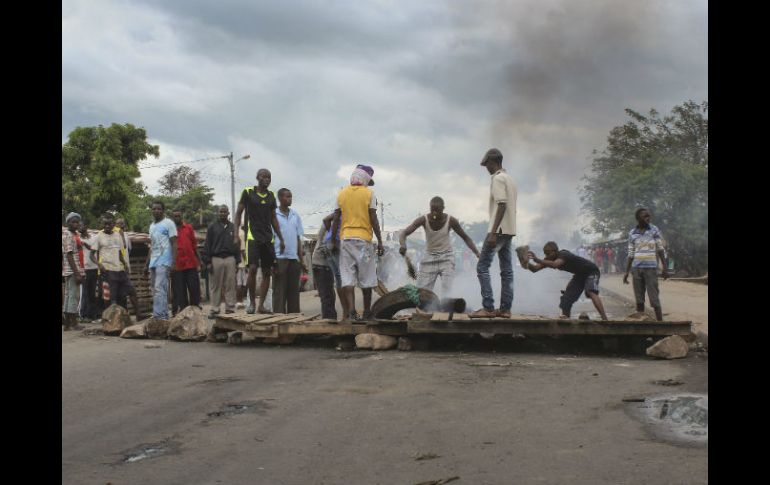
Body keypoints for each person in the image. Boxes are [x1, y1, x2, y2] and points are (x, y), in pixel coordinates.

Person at [331, 164, 384, 321]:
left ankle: (352, 312)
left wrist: (333, 240)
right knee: (367, 277)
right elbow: (373, 218)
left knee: (347, 277)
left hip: (346, 240)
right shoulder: (369, 194)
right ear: (366, 179)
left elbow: (335, 218)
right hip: (363, 241)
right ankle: (367, 312)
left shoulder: (341, 194)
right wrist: (380, 240)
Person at [399, 196, 480, 295]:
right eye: (432, 210)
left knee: (447, 290)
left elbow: (465, 237)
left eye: (437, 210)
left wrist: (477, 253)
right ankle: (425, 309)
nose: (434, 213)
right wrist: (403, 245)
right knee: (422, 293)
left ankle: (445, 307)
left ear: (443, 208)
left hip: (446, 258)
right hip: (429, 258)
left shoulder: (451, 220)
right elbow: (403, 233)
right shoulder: (423, 219)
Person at [471, 148, 517, 318]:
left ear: (493, 162)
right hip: (509, 230)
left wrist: (492, 232)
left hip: (498, 230)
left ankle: (488, 308)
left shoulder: (497, 179)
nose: (487, 168)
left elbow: (502, 205)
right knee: (507, 270)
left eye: (487, 165)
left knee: (482, 266)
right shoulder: (510, 179)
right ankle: (505, 309)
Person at [234, 168, 286, 314]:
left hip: (268, 238)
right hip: (253, 237)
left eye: (269, 177)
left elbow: (273, 218)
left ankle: (261, 305)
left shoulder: (271, 196)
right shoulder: (248, 192)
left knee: (267, 272)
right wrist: (236, 235)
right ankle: (251, 302)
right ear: (257, 177)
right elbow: (238, 213)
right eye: (264, 176)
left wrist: (280, 238)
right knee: (252, 269)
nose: (267, 179)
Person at [526, 242, 608, 320]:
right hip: (579, 275)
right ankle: (566, 321)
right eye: (545, 253)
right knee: (566, 299)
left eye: (548, 253)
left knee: (590, 291)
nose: (547, 256)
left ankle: (605, 319)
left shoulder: (563, 254)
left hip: (591, 271)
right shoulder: (549, 259)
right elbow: (535, 269)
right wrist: (525, 262)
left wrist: (537, 259)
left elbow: (555, 264)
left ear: (555, 251)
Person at [92, 213, 144, 320]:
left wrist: (125, 264)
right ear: (102, 224)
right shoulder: (98, 237)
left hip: (120, 269)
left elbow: (120, 252)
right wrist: (99, 265)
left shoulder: (118, 235)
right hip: (108, 269)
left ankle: (138, 315)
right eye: (105, 224)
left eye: (109, 224)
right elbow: (91, 255)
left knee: (131, 291)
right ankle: (111, 319)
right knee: (112, 297)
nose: (107, 226)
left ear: (113, 224)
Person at [623, 208, 669, 321]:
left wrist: (665, 267)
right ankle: (641, 325)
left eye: (649, 216)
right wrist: (626, 272)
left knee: (654, 299)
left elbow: (660, 249)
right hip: (636, 269)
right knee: (639, 300)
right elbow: (631, 254)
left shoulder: (654, 230)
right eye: (645, 216)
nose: (648, 218)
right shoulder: (632, 233)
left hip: (651, 269)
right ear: (638, 218)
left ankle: (661, 325)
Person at [272, 188, 307, 314]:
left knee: (293, 292)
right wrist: (272, 260)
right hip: (279, 258)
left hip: (294, 259)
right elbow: (270, 239)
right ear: (280, 198)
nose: (290, 199)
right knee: (279, 292)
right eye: (287, 196)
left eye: (291, 196)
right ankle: (279, 319)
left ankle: (294, 318)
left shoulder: (295, 215)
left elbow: (298, 238)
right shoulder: (273, 215)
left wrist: (302, 261)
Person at [202, 205, 240, 318]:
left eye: (225, 212)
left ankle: (230, 308)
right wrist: (208, 262)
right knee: (215, 285)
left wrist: (237, 261)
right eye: (221, 212)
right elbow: (207, 244)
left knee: (230, 284)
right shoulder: (212, 227)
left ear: (228, 213)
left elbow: (237, 244)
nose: (223, 214)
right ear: (218, 213)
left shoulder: (233, 227)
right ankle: (214, 308)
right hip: (216, 258)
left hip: (230, 258)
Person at [145, 201, 177, 320]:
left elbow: (174, 243)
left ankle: (159, 315)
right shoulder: (152, 226)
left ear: (163, 210)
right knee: (155, 288)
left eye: (159, 209)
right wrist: (146, 264)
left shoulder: (169, 223)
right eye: (154, 209)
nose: (156, 211)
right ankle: (162, 313)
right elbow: (152, 246)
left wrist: (173, 262)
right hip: (153, 261)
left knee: (160, 287)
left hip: (164, 260)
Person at [170, 209, 203, 315]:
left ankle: (196, 309)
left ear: (182, 216)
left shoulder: (189, 228)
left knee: (194, 287)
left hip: (190, 263)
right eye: (175, 216)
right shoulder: (170, 230)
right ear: (172, 218)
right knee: (180, 290)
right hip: (177, 265)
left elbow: (194, 245)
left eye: (178, 215)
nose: (177, 217)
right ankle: (184, 311)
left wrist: (200, 260)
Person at [62, 212, 85, 330]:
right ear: (68, 223)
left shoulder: (75, 234)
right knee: (73, 297)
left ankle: (67, 324)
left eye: (77, 222)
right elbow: (69, 254)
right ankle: (73, 323)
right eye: (73, 222)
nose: (76, 224)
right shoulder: (67, 235)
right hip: (72, 270)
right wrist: (77, 273)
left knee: (68, 296)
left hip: (75, 269)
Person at [79, 222, 101, 322]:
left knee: (92, 292)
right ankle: (84, 314)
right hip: (84, 269)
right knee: (85, 292)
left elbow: (94, 249)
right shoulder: (78, 238)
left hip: (94, 268)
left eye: (81, 225)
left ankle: (92, 315)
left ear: (86, 226)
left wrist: (86, 244)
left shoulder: (94, 237)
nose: (79, 227)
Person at [235, 236, 248, 309]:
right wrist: (247, 264)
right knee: (241, 284)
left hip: (237, 264)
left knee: (239, 284)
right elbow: (243, 252)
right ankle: (240, 301)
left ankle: (239, 301)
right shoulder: (242, 233)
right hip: (242, 264)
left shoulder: (235, 233)